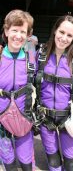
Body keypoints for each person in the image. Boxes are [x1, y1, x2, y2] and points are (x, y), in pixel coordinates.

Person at [34, 15, 73, 171]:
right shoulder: (40, 55)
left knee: (70, 160)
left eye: (69, 35)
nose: (64, 38)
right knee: (52, 158)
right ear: (55, 31)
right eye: (61, 32)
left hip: (69, 118)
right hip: (45, 117)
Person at [0, 9, 36, 170]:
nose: (18, 35)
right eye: (14, 30)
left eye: (23, 31)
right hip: (1, 119)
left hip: (24, 117)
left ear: (28, 35)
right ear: (6, 31)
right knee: (7, 158)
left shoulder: (31, 59)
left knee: (25, 158)